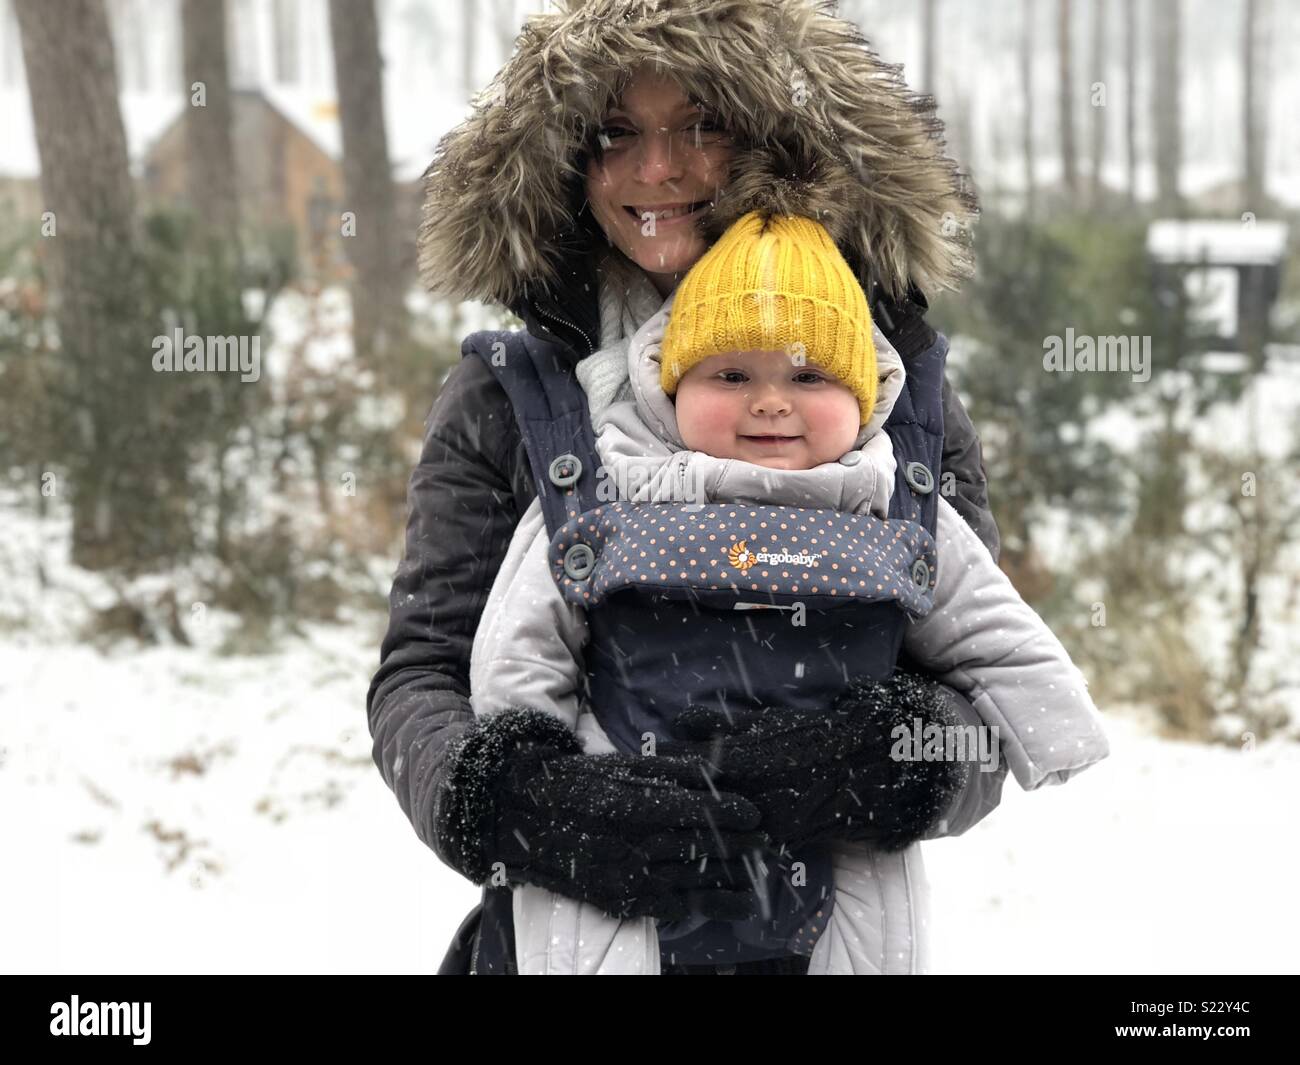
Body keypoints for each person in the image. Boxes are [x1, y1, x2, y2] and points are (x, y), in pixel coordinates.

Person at [370, 0, 1005, 975]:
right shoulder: (508, 390)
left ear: (774, 143)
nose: (654, 171)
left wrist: (904, 757)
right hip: (565, 942)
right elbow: (420, 672)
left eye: (700, 125)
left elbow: (986, 702)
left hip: (832, 941)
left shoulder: (886, 382)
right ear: (563, 162)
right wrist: (515, 803)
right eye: (613, 134)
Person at [467, 209, 1111, 974]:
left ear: (870, 393)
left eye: (808, 376)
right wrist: (539, 778)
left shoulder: (891, 502)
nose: (770, 402)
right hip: (633, 815)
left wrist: (1042, 726)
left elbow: (990, 628)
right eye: (731, 375)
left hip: (837, 838)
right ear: (665, 383)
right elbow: (523, 634)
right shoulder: (615, 491)